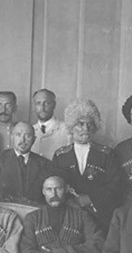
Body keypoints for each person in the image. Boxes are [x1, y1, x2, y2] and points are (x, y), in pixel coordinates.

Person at [53, 99, 124, 233]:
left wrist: (91, 198)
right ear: (71, 127)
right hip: (67, 218)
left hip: (100, 219)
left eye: (89, 124)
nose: (85, 128)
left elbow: (116, 186)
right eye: (80, 124)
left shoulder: (107, 154)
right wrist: (71, 202)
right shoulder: (60, 156)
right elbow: (54, 185)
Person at [0, 122, 58, 204]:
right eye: (18, 135)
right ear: (12, 137)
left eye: (28, 136)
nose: (22, 140)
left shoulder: (44, 164)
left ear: (34, 140)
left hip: (34, 209)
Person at [30, 89, 71, 160]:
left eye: (46, 103)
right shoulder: (29, 131)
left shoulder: (67, 130)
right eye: (38, 103)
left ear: (54, 105)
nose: (42, 107)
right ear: (34, 107)